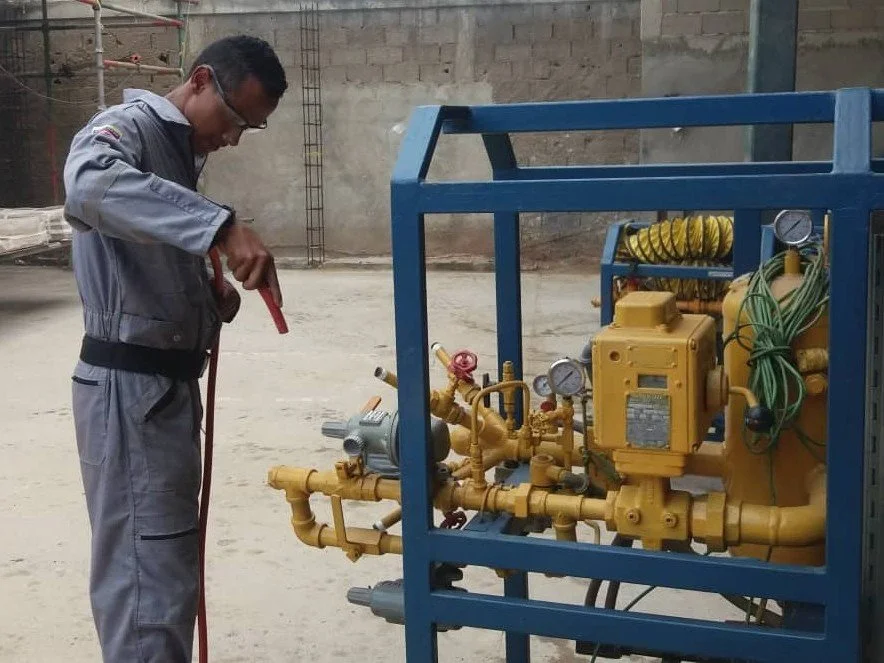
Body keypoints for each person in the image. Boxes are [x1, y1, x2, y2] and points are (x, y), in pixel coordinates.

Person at [63, 35, 287, 662]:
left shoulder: (178, 152)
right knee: (147, 578)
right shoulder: (126, 128)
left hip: (162, 391)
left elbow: (139, 255)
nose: (234, 138)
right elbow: (87, 185)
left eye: (250, 128)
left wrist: (204, 297)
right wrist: (220, 225)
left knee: (165, 570)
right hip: (131, 392)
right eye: (234, 118)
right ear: (200, 80)